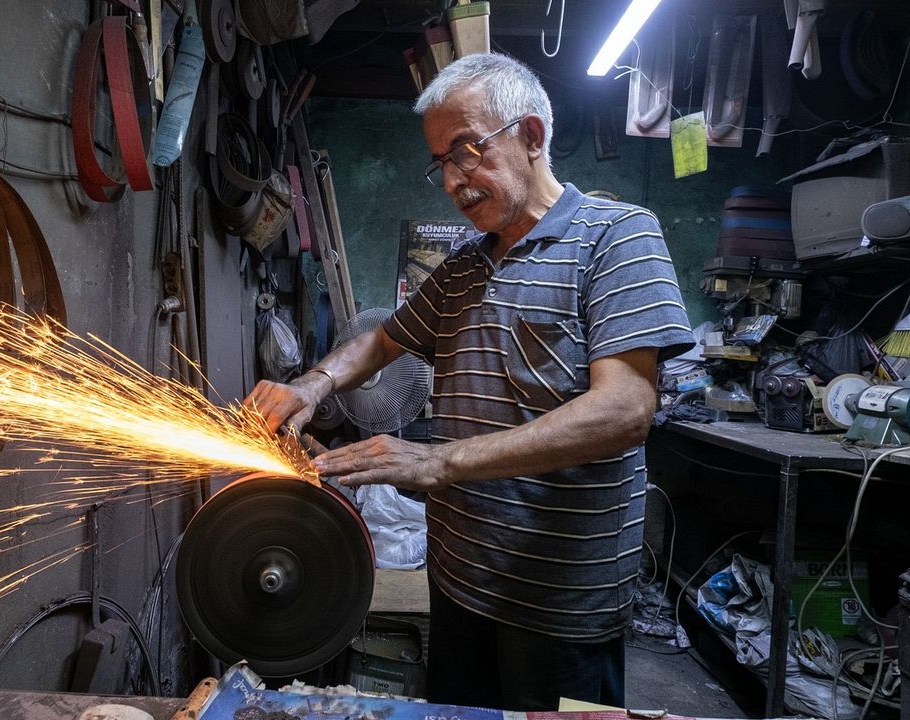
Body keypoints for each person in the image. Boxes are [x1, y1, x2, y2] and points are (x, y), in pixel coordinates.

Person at [244, 53, 695, 711]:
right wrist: (315, 382)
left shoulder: (619, 237)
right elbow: (384, 337)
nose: (453, 181)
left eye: (466, 152)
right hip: (457, 583)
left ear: (533, 136)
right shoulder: (462, 265)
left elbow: (625, 408)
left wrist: (439, 460)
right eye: (441, 164)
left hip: (560, 600)